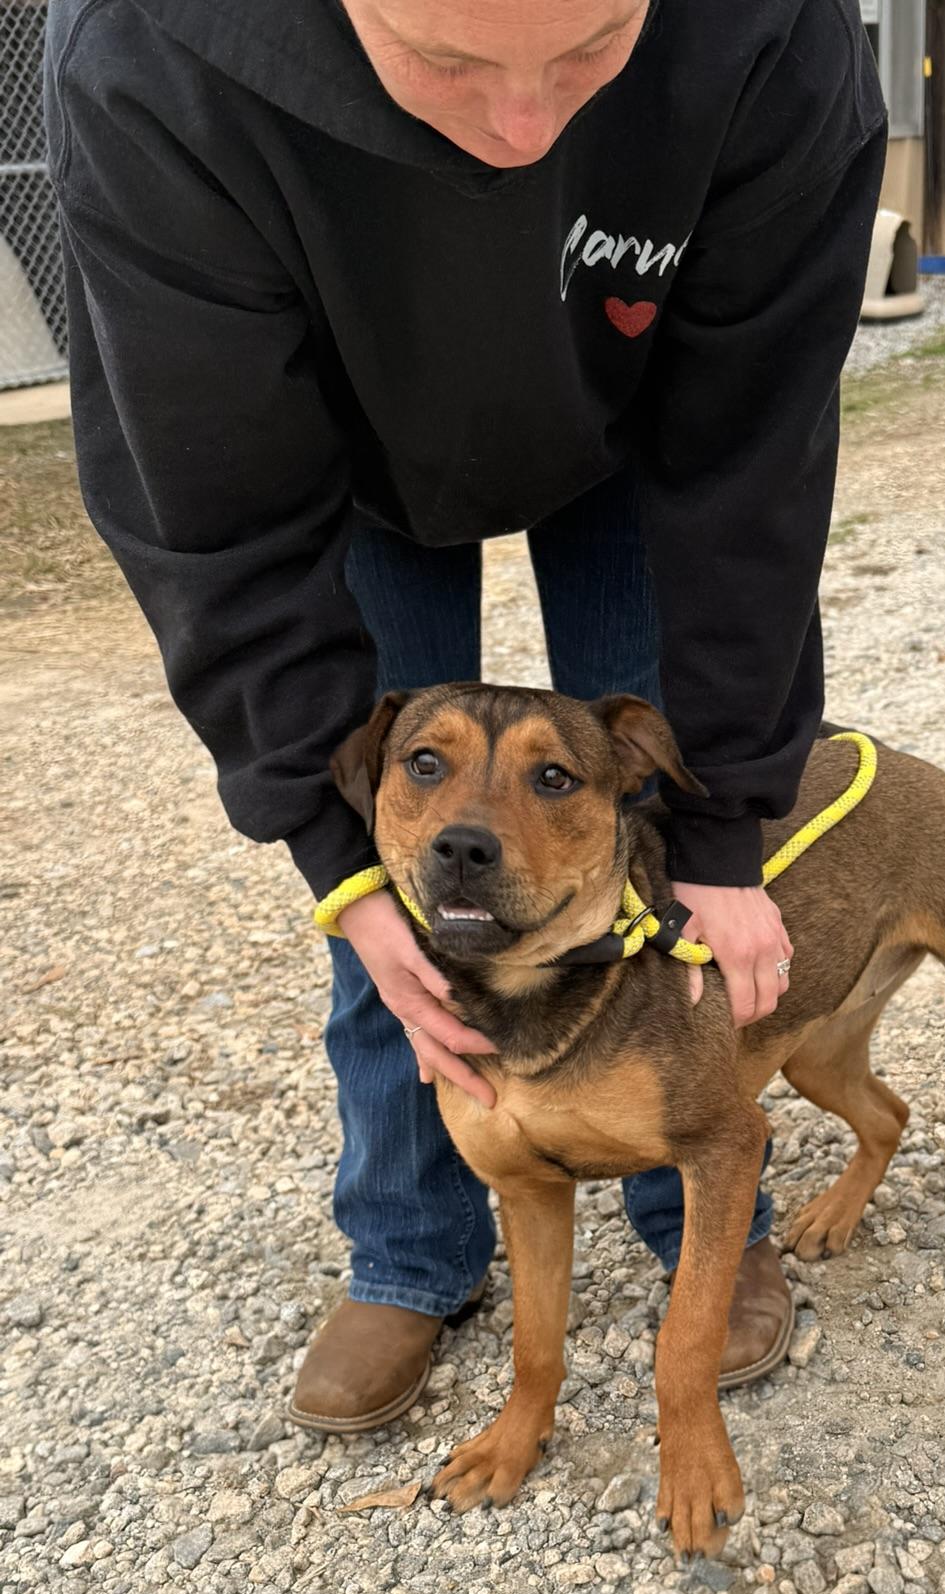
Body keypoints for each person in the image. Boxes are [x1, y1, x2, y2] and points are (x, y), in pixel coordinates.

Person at [46, 0, 885, 1429]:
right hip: (335, 448)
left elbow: (755, 461)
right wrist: (342, 865)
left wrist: (731, 822)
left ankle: (699, 1220)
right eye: (447, 63)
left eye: (594, 50)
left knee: (664, 882)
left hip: (646, 426)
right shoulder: (150, 56)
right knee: (421, 899)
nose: (524, 130)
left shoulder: (776, 32)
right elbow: (215, 510)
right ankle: (412, 1247)